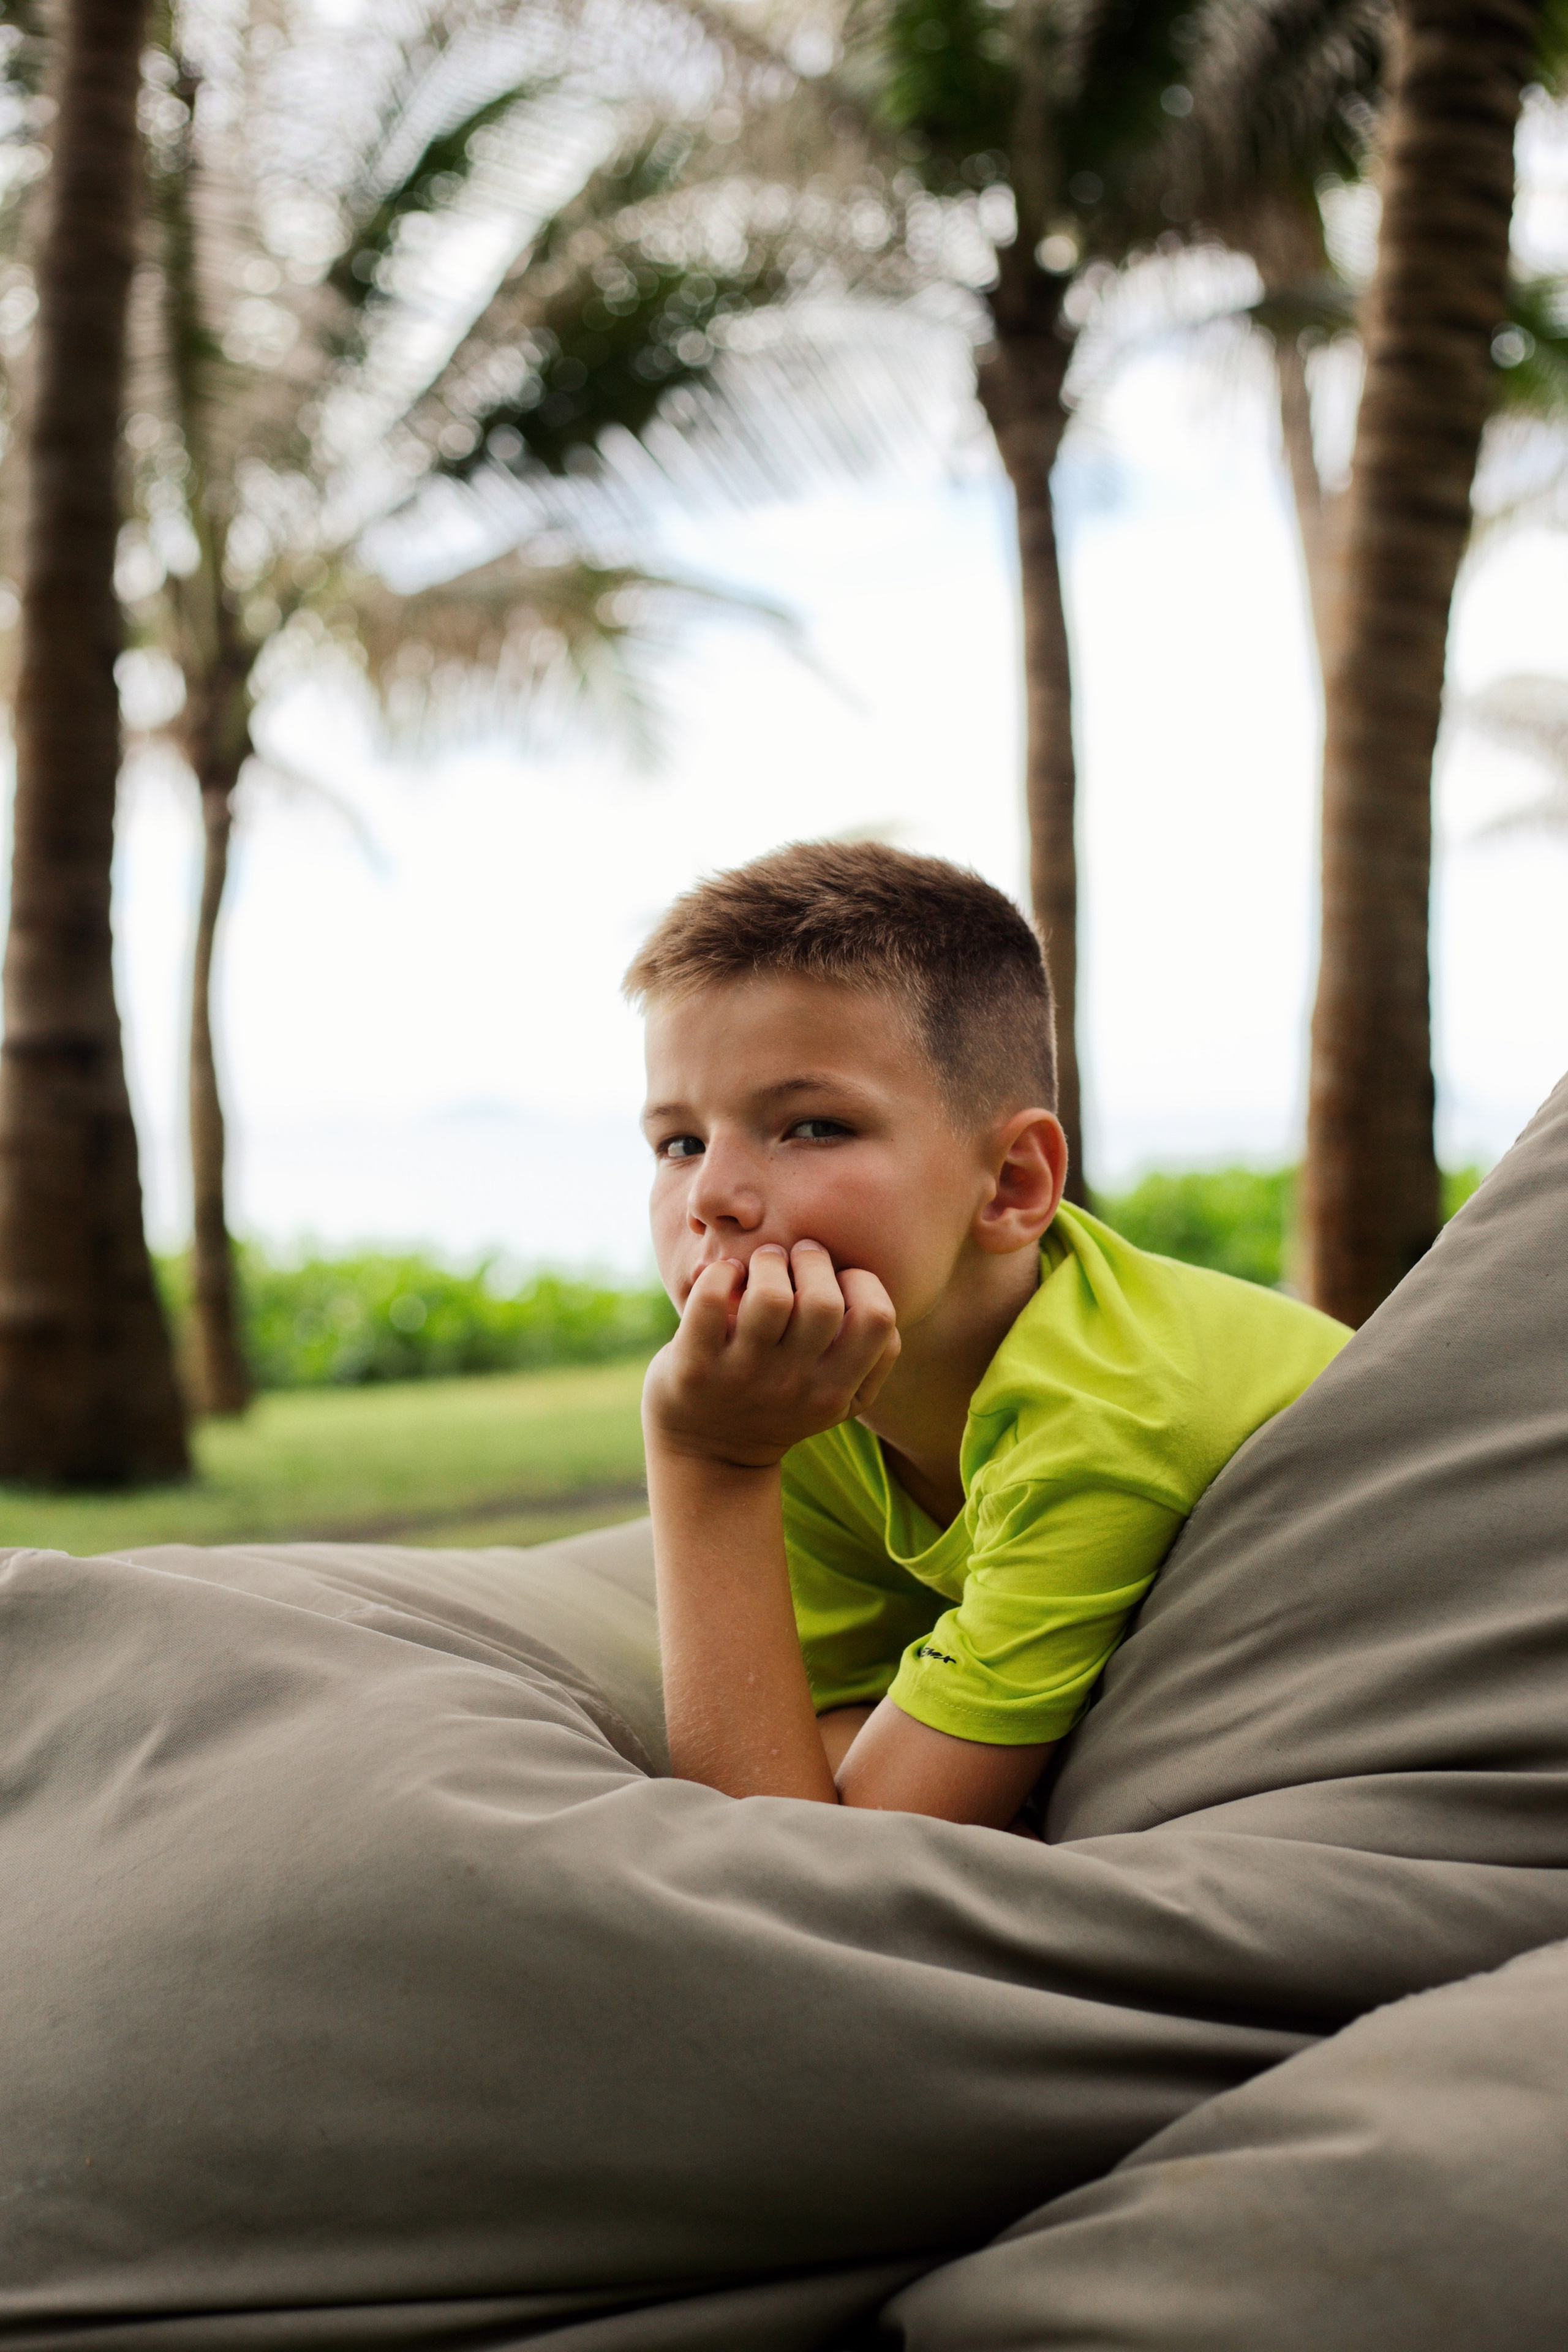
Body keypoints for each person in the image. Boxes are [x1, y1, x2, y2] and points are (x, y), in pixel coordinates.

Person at [627, 841, 1348, 1833]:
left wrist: (706, 1459)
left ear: (1012, 1185)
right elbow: (815, 1742)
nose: (711, 1196)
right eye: (680, 1142)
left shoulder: (1105, 1418)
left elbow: (819, 1860)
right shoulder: (800, 1397)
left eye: (812, 1127)